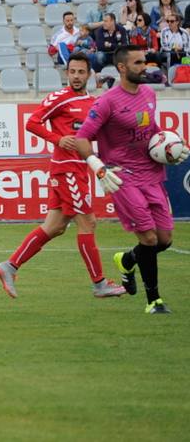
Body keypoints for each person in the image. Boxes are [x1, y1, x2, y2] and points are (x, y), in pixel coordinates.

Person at [0, 54, 127, 296]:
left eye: (81, 72)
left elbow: (91, 135)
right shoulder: (59, 98)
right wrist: (57, 139)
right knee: (88, 222)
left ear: (89, 75)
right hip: (67, 169)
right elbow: (32, 122)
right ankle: (99, 284)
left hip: (78, 168)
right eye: (72, 72)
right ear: (67, 74)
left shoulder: (93, 102)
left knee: (54, 226)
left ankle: (9, 266)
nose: (76, 76)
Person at [76, 46, 174, 314]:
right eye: (139, 62)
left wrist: (168, 147)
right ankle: (154, 300)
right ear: (121, 68)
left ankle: (127, 260)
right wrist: (98, 166)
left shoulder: (148, 93)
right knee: (150, 239)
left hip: (151, 173)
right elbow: (82, 137)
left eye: (145, 61)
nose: (145, 67)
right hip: (122, 176)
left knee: (164, 239)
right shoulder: (107, 101)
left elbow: (151, 129)